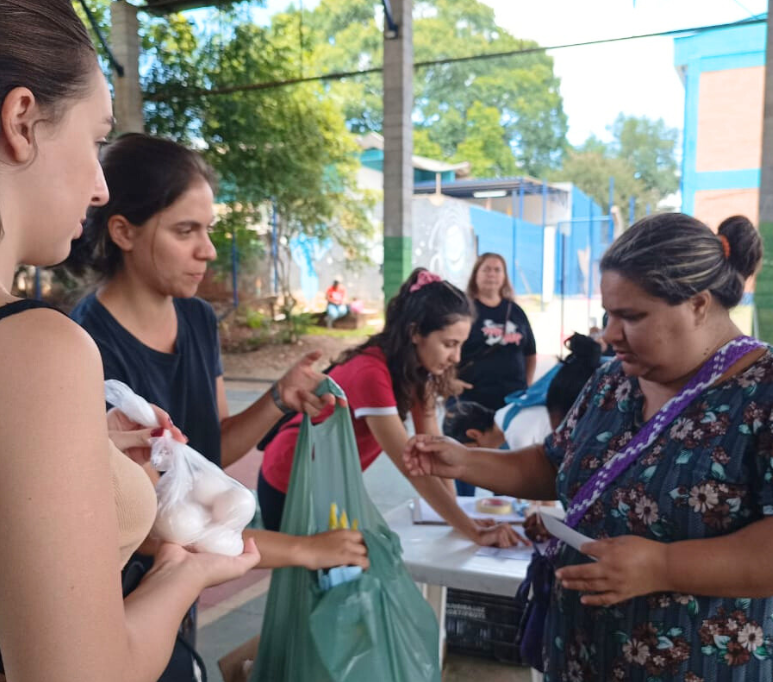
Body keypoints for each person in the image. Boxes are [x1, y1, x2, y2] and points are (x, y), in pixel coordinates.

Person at [0, 0, 261, 682]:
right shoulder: (33, 349)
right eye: (95, 140)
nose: (101, 185)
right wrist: (185, 570)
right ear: (20, 122)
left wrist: (87, 457)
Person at [406, 213, 773, 682]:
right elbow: (555, 464)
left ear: (698, 302)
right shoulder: (615, 379)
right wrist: (464, 460)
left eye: (631, 316)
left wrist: (664, 567)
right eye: (607, 314)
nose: (609, 334)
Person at [65, 133, 368, 575]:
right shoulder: (85, 348)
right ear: (123, 231)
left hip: (184, 595)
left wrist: (279, 399)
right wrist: (303, 551)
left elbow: (210, 453)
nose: (206, 250)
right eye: (185, 231)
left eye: (207, 230)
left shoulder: (198, 319)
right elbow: (159, 529)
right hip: (127, 598)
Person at [259, 268, 526, 548]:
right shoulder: (371, 372)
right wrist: (472, 530)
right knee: (314, 580)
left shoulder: (416, 372)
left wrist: (460, 517)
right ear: (415, 333)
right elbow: (411, 464)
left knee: (334, 576)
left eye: (460, 346)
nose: (455, 357)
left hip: (329, 485)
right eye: (449, 344)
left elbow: (434, 453)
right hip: (291, 482)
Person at [453, 253, 537, 412]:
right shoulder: (463, 310)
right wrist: (450, 382)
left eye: (497, 270)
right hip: (472, 400)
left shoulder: (515, 311)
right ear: (475, 275)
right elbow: (447, 349)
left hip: (512, 400)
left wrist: (526, 385)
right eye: (486, 269)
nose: (492, 274)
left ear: (504, 276)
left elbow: (530, 354)